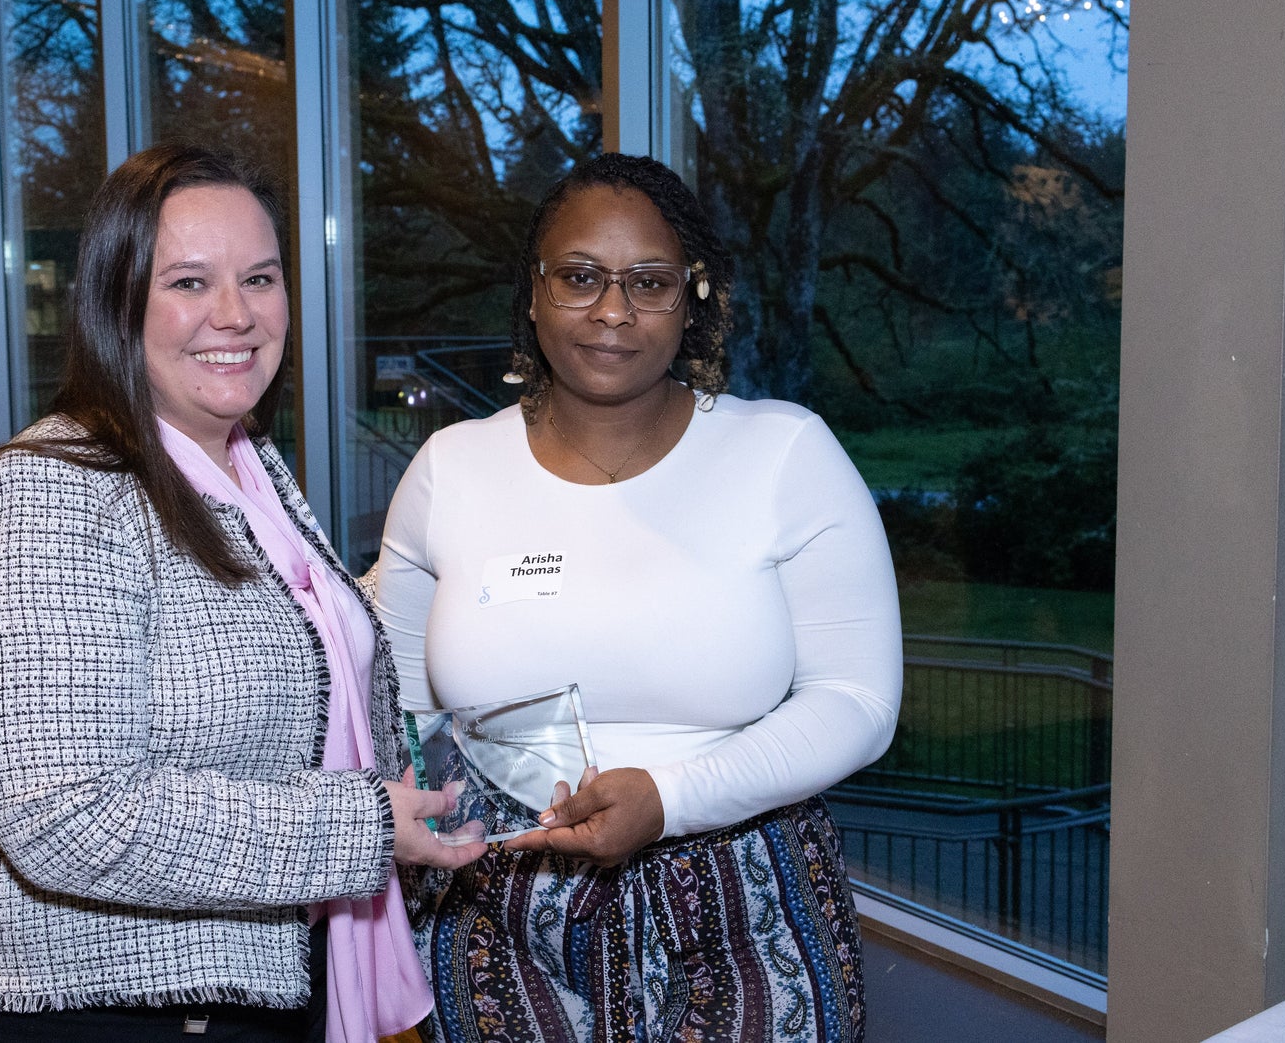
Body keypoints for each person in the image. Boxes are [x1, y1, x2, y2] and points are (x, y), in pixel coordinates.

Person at [0, 143, 485, 1043]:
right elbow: (66, 813)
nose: (235, 314)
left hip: (254, 981)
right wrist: (364, 822)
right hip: (102, 1011)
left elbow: (299, 642)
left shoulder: (243, 465)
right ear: (119, 301)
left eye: (259, 278)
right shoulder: (51, 496)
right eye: (189, 282)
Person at [373, 153, 903, 1042]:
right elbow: (406, 706)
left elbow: (858, 699)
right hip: (500, 915)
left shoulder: (784, 454)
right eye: (580, 277)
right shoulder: (451, 470)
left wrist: (671, 797)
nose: (612, 310)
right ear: (533, 291)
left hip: (744, 900)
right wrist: (458, 849)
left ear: (692, 297)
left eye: (649, 282)